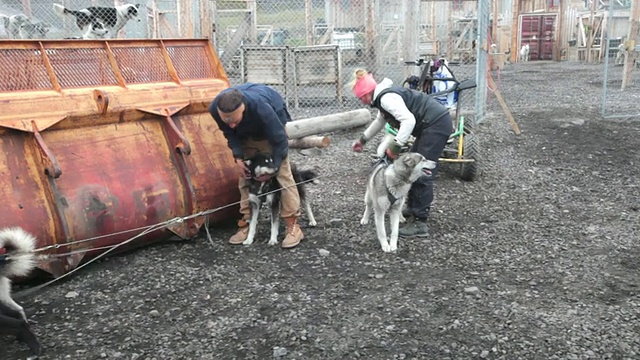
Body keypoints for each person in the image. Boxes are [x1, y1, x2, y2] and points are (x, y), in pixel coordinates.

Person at [350, 69, 452, 237]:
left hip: (435, 124)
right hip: (430, 125)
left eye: (360, 97)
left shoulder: (386, 98)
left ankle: (420, 222)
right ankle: (412, 208)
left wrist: (395, 147)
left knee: (420, 171)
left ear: (366, 94)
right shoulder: (381, 98)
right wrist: (362, 140)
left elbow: (408, 120)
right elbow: (379, 121)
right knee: (410, 169)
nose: (361, 101)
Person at [209, 83, 304, 248]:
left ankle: (292, 225)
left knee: (283, 175)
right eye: (227, 121)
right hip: (246, 133)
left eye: (235, 120)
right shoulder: (215, 109)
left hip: (273, 128)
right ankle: (246, 222)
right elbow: (229, 133)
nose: (231, 124)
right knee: (244, 177)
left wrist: (274, 166)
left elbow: (280, 139)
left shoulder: (262, 108)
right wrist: (238, 156)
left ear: (243, 109)